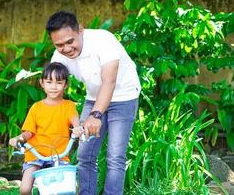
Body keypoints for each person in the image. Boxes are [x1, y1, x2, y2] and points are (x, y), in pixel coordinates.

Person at [46, 11, 141, 195]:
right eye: (59, 45)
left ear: (80, 30)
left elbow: (109, 82)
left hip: (124, 97)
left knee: (115, 156)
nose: (66, 49)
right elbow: (54, 92)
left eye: (70, 41)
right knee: (85, 155)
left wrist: (96, 115)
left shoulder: (103, 40)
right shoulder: (59, 57)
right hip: (94, 97)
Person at [9, 62, 82, 195]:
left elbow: (74, 119)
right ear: (42, 83)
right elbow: (28, 132)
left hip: (59, 155)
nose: (54, 87)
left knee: (70, 188)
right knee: (25, 189)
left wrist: (78, 128)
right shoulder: (36, 107)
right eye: (49, 82)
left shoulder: (69, 106)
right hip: (35, 154)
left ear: (65, 85)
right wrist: (19, 138)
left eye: (59, 82)